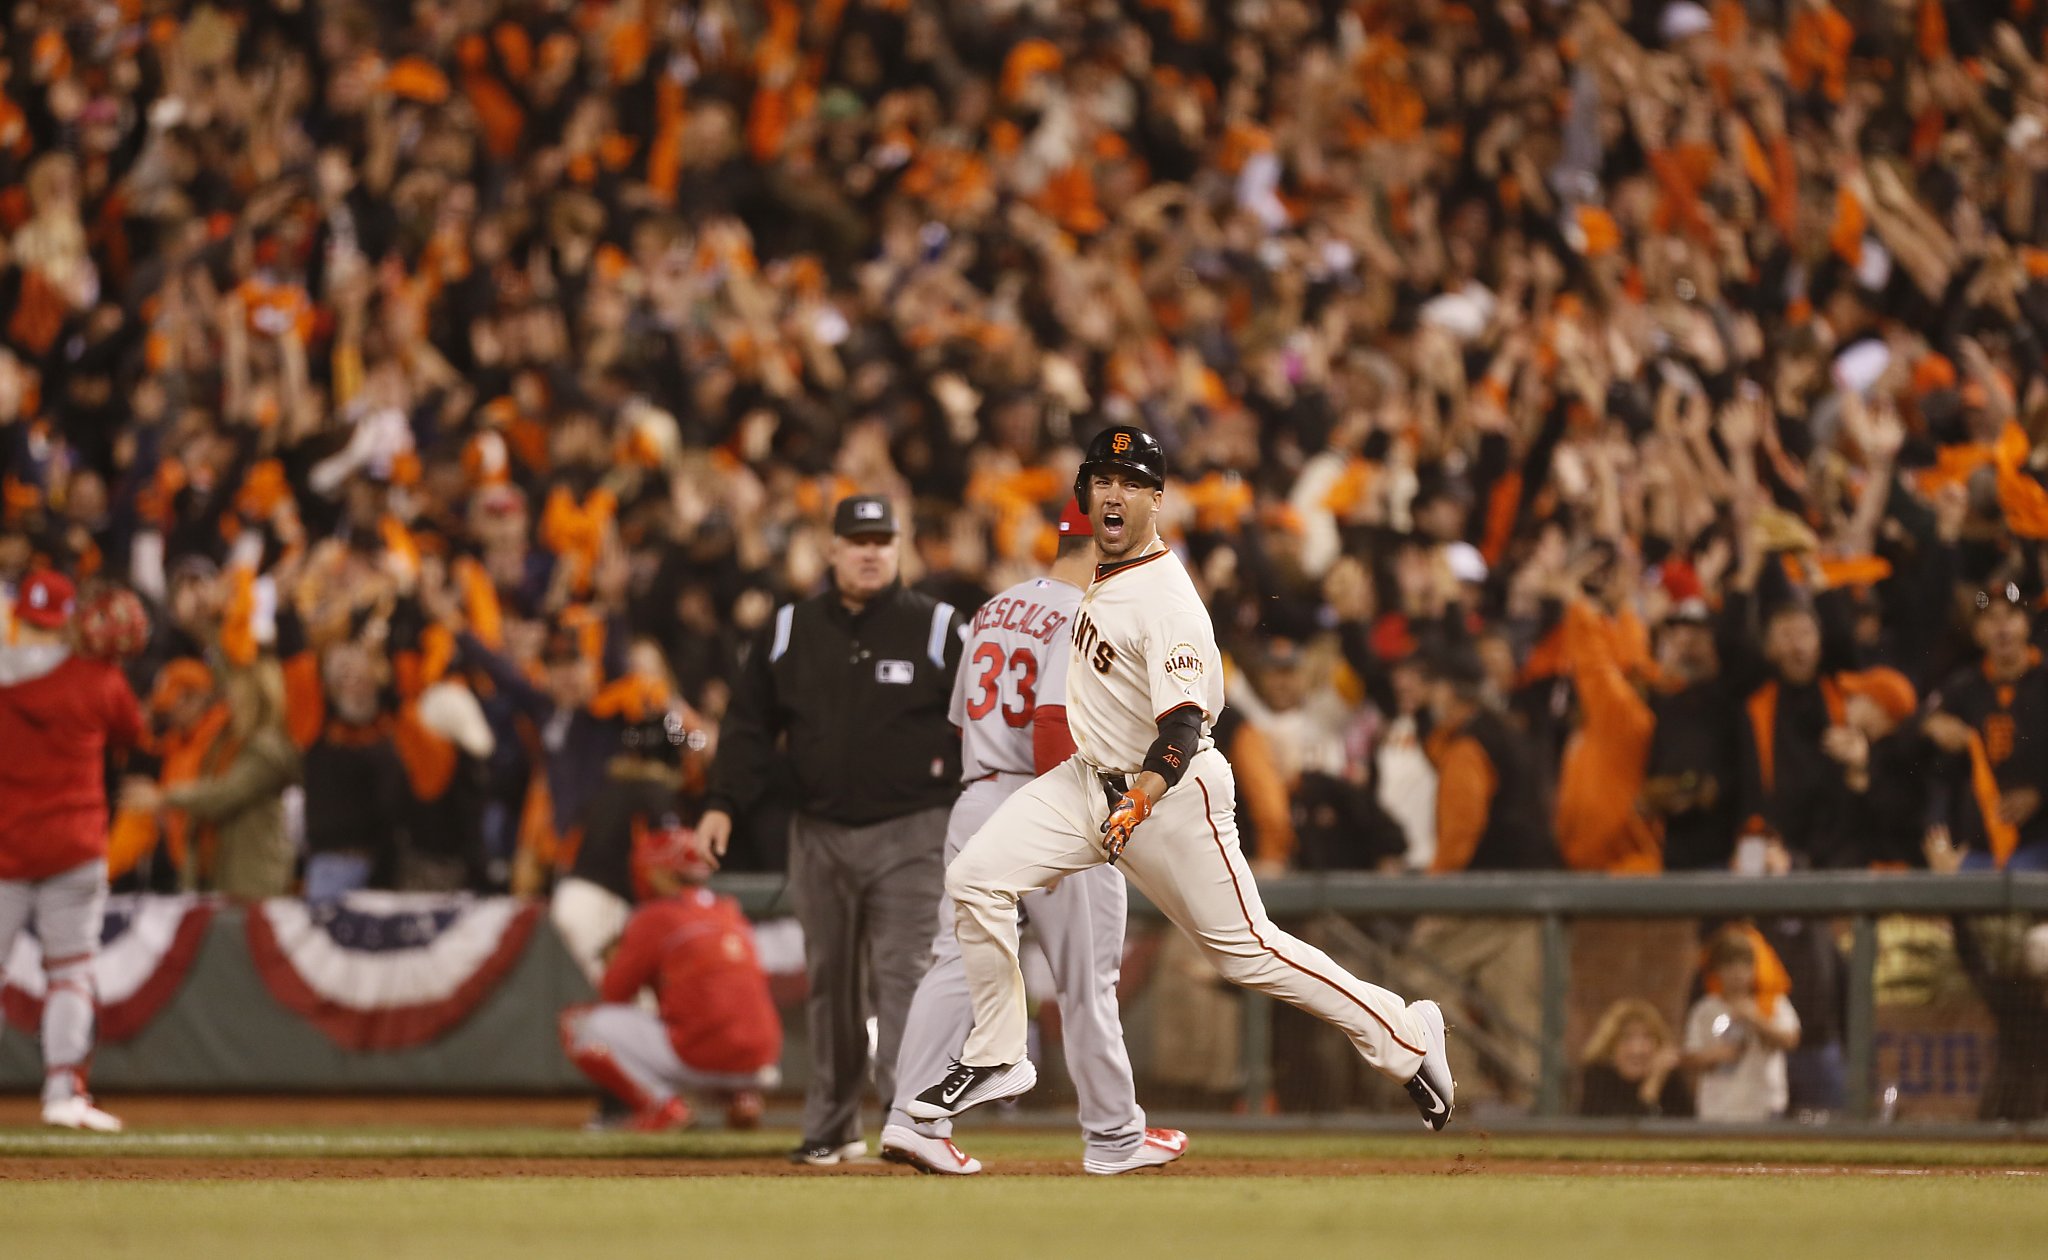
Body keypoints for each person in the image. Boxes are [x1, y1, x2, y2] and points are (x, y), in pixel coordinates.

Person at [910, 426, 1455, 1133]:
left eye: (1133, 483)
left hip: (1169, 796)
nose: (1116, 493)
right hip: (1088, 782)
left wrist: (1139, 801)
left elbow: (1181, 732)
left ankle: (1409, 1036)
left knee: (1248, 954)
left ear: (1157, 501)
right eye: (1105, 480)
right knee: (975, 876)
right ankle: (998, 1050)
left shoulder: (1168, 601)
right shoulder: (1102, 573)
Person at [882, 500, 1183, 1177]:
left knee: (954, 963)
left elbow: (960, 726)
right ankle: (1113, 1134)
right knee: (1086, 979)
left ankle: (911, 1120)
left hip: (978, 794)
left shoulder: (994, 608)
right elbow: (1053, 731)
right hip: (1049, 798)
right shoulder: (1090, 612)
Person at [699, 494, 967, 1166]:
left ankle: (910, 1121)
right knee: (831, 982)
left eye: (882, 539)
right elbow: (749, 724)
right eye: (858, 539)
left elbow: (982, 722)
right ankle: (833, 1124)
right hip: (818, 829)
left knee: (903, 975)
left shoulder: (938, 627)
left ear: (899, 546)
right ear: (832, 549)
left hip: (914, 829)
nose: (871, 551)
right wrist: (723, 802)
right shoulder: (789, 628)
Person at [0, 571, 143, 1130]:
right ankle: (63, 1092)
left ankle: (64, 1091)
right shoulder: (99, 678)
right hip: (73, 847)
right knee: (70, 973)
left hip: (5, 849)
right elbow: (134, 733)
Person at [558, 816, 781, 1132]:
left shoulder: (656, 915)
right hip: (762, 1061)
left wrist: (619, 956)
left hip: (702, 1055)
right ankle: (742, 1098)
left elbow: (615, 993)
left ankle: (662, 1106)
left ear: (661, 871)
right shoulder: (728, 909)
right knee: (705, 1015)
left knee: (577, 1025)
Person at [1416, 643, 1559, 1105]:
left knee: (1419, 972)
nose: (1428, 696)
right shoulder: (1505, 731)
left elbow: (1461, 832)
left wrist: (1431, 898)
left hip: (1484, 893)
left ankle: (1466, 1090)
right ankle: (1535, 1101)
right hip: (1531, 891)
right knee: (1517, 1000)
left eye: (1434, 686)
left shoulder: (1470, 742)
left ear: (1451, 691)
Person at [1922, 581, 2048, 871]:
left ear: (2027, 624)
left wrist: (2040, 793)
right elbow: (1914, 732)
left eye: (2010, 617)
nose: (2002, 628)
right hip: (1979, 848)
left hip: (2039, 839)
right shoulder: (1963, 687)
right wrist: (1929, 724)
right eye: (1991, 619)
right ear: (1978, 632)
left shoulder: (2044, 680)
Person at [1682, 926, 1801, 1123]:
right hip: (1718, 1108)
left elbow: (1791, 1040)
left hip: (1764, 1105)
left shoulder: (1772, 1003)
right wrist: (1718, 1054)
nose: (1737, 973)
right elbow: (1689, 1055)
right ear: (1716, 969)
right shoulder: (1705, 1009)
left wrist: (1755, 1018)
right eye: (1729, 965)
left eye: (1745, 964)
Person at [1578, 999, 1690, 1119]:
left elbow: (1688, 1128)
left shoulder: (1669, 1079)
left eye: (1647, 1037)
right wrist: (1650, 1090)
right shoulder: (1598, 1079)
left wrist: (1657, 1078)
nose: (1638, 1050)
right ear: (1610, 1048)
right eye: (1627, 1038)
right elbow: (1625, 1132)